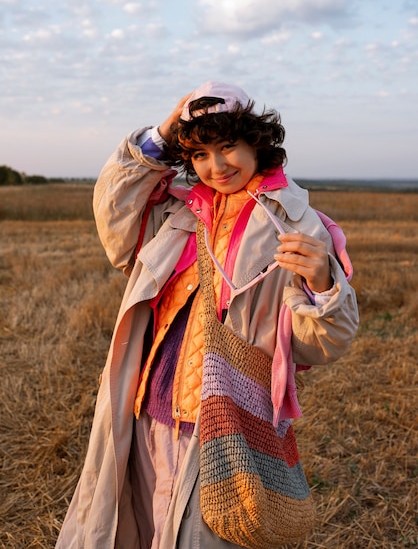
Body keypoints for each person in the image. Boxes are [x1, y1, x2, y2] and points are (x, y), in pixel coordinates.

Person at [56, 81, 359, 548]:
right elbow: (114, 218)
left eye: (227, 147)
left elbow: (325, 344)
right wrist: (161, 134)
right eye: (198, 154)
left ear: (256, 143)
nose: (215, 166)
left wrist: (323, 284)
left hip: (223, 424)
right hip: (147, 410)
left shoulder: (297, 222)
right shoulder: (179, 211)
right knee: (140, 530)